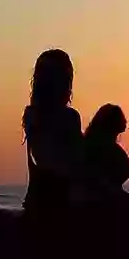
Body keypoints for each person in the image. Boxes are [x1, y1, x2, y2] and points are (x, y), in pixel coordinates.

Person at [21, 49, 85, 224]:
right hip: (62, 202)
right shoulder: (69, 117)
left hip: (36, 200)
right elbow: (73, 162)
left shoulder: (31, 114)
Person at [81, 103, 129, 199]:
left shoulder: (109, 146)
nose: (125, 121)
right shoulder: (104, 147)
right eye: (120, 117)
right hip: (102, 198)